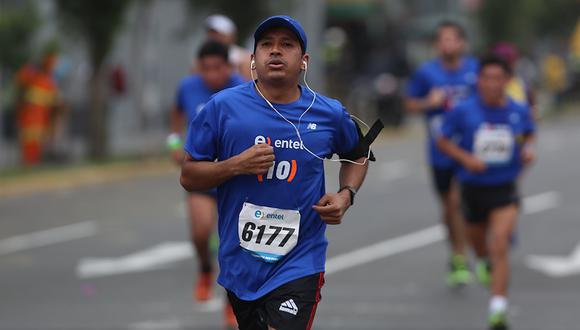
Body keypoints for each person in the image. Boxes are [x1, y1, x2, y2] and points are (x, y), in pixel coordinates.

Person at [180, 15, 373, 330]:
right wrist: (235, 165)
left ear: (304, 61)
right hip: (240, 263)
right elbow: (188, 176)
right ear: (253, 59)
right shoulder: (223, 108)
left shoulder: (328, 113)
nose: (275, 51)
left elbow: (358, 154)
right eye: (266, 45)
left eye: (287, 45)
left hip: (300, 262)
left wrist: (345, 195)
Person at [437, 55, 536, 330]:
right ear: (479, 80)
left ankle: (498, 308)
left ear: (507, 81)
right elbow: (443, 139)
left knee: (500, 243)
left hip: (504, 188)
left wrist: (528, 151)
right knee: (480, 245)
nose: (492, 84)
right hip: (472, 188)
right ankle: (481, 261)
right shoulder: (464, 110)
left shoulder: (518, 110)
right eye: (487, 78)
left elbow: (529, 134)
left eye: (498, 79)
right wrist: (465, 158)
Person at [168, 40, 244, 329]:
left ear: (229, 66)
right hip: (202, 174)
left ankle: (232, 304)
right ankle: (204, 267)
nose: (211, 74)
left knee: (234, 246)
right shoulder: (188, 87)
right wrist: (174, 141)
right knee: (201, 232)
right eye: (206, 68)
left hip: (236, 179)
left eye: (217, 67)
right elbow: (176, 114)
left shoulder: (244, 89)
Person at [405, 21, 478, 287]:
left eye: (452, 39)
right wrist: (428, 103)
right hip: (440, 151)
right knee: (449, 207)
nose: (447, 44)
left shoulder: (474, 69)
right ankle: (457, 254)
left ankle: (465, 256)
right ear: (437, 45)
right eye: (442, 40)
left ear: (462, 43)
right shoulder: (427, 73)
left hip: (470, 150)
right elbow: (409, 103)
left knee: (460, 202)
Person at [15, 51, 63, 166]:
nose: (54, 67)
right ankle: (28, 162)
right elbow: (20, 81)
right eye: (53, 64)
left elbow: (53, 98)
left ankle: (34, 162)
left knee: (38, 139)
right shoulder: (34, 75)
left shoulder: (48, 80)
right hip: (31, 114)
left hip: (42, 116)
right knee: (30, 137)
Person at [205, 14, 253, 81]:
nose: (214, 37)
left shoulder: (243, 58)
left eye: (218, 34)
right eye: (211, 33)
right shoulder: (201, 59)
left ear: (231, 36)